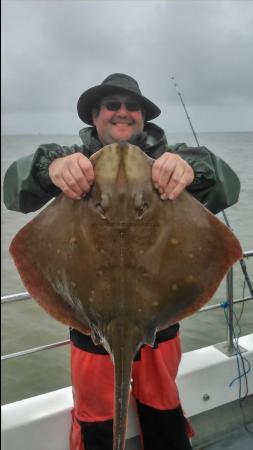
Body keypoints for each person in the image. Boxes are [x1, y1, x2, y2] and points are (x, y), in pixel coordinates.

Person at [3, 73, 240, 450]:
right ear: (94, 117)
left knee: (164, 413)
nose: (122, 112)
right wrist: (50, 169)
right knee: (97, 422)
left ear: (143, 118)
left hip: (160, 325)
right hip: (91, 327)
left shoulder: (170, 162)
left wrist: (193, 167)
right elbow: (12, 188)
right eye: (112, 105)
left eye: (132, 106)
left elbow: (229, 185)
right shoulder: (70, 165)